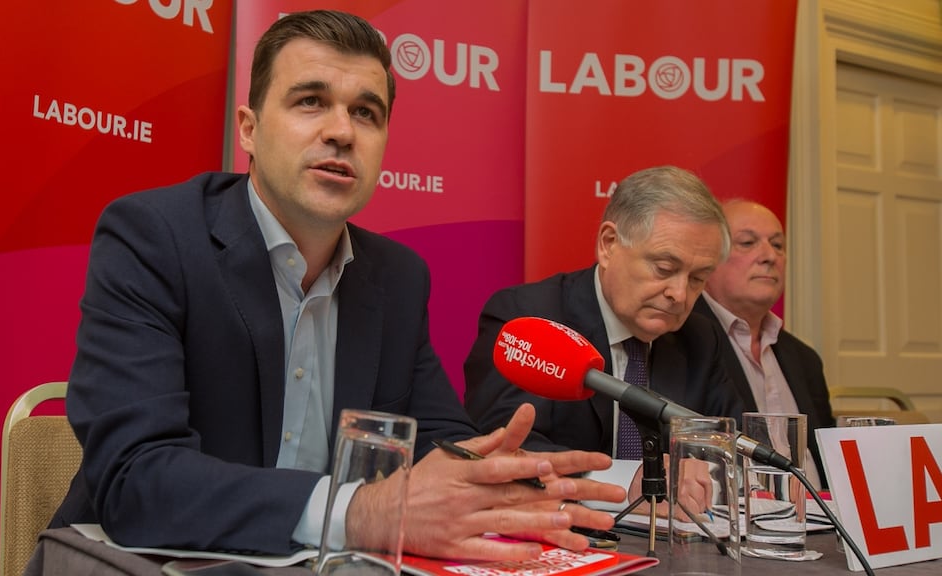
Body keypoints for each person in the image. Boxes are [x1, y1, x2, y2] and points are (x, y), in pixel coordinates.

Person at [48, 9, 625, 562]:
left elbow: (437, 439)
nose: (342, 132)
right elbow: (134, 479)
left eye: (366, 113)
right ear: (249, 129)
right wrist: (362, 512)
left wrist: (492, 481)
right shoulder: (156, 237)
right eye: (310, 102)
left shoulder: (398, 277)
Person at [464, 165, 747, 517]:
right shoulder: (530, 320)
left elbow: (734, 448)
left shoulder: (699, 338)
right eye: (664, 268)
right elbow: (505, 446)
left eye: (698, 278)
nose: (680, 294)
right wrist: (630, 482)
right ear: (609, 244)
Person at [695, 199, 832, 486]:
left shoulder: (804, 358)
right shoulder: (682, 343)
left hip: (820, 509)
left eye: (778, 245)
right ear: (708, 259)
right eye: (747, 242)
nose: (769, 256)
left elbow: (828, 460)